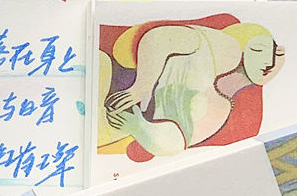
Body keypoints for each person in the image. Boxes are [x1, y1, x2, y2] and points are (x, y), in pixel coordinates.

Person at [101, 19, 285, 157]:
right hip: (110, 76)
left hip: (114, 122)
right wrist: (142, 85)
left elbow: (175, 142)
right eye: (259, 49)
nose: (269, 63)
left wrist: (138, 127)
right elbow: (160, 37)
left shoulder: (221, 110)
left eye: (277, 55)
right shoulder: (224, 49)